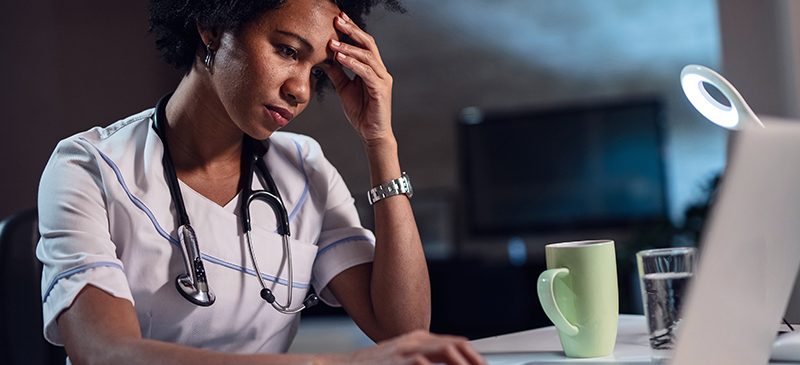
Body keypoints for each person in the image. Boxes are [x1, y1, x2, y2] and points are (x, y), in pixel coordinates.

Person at [35, 0, 485, 364]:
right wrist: (335, 364)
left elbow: (404, 331)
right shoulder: (88, 166)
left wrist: (380, 142)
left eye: (315, 71)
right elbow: (105, 354)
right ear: (212, 27)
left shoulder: (303, 167)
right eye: (288, 51)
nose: (301, 91)